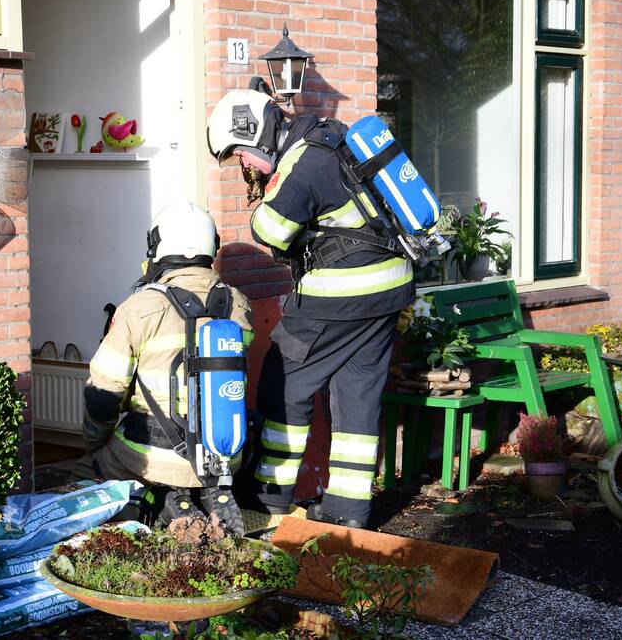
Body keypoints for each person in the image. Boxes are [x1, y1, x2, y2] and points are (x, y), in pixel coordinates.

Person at [206, 88, 415, 529]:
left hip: (342, 294)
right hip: (389, 290)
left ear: (256, 133)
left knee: (284, 384)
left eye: (240, 153)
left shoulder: (304, 162)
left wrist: (267, 198)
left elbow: (270, 230)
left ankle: (268, 497)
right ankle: (348, 510)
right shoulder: (332, 140)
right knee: (357, 396)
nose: (243, 164)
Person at [71, 200, 253, 533]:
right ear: (212, 245)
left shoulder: (140, 307)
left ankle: (156, 496)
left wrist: (95, 443)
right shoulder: (238, 303)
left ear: (157, 246)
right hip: (224, 450)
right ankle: (207, 490)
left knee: (82, 474)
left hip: (152, 452)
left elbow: (103, 394)